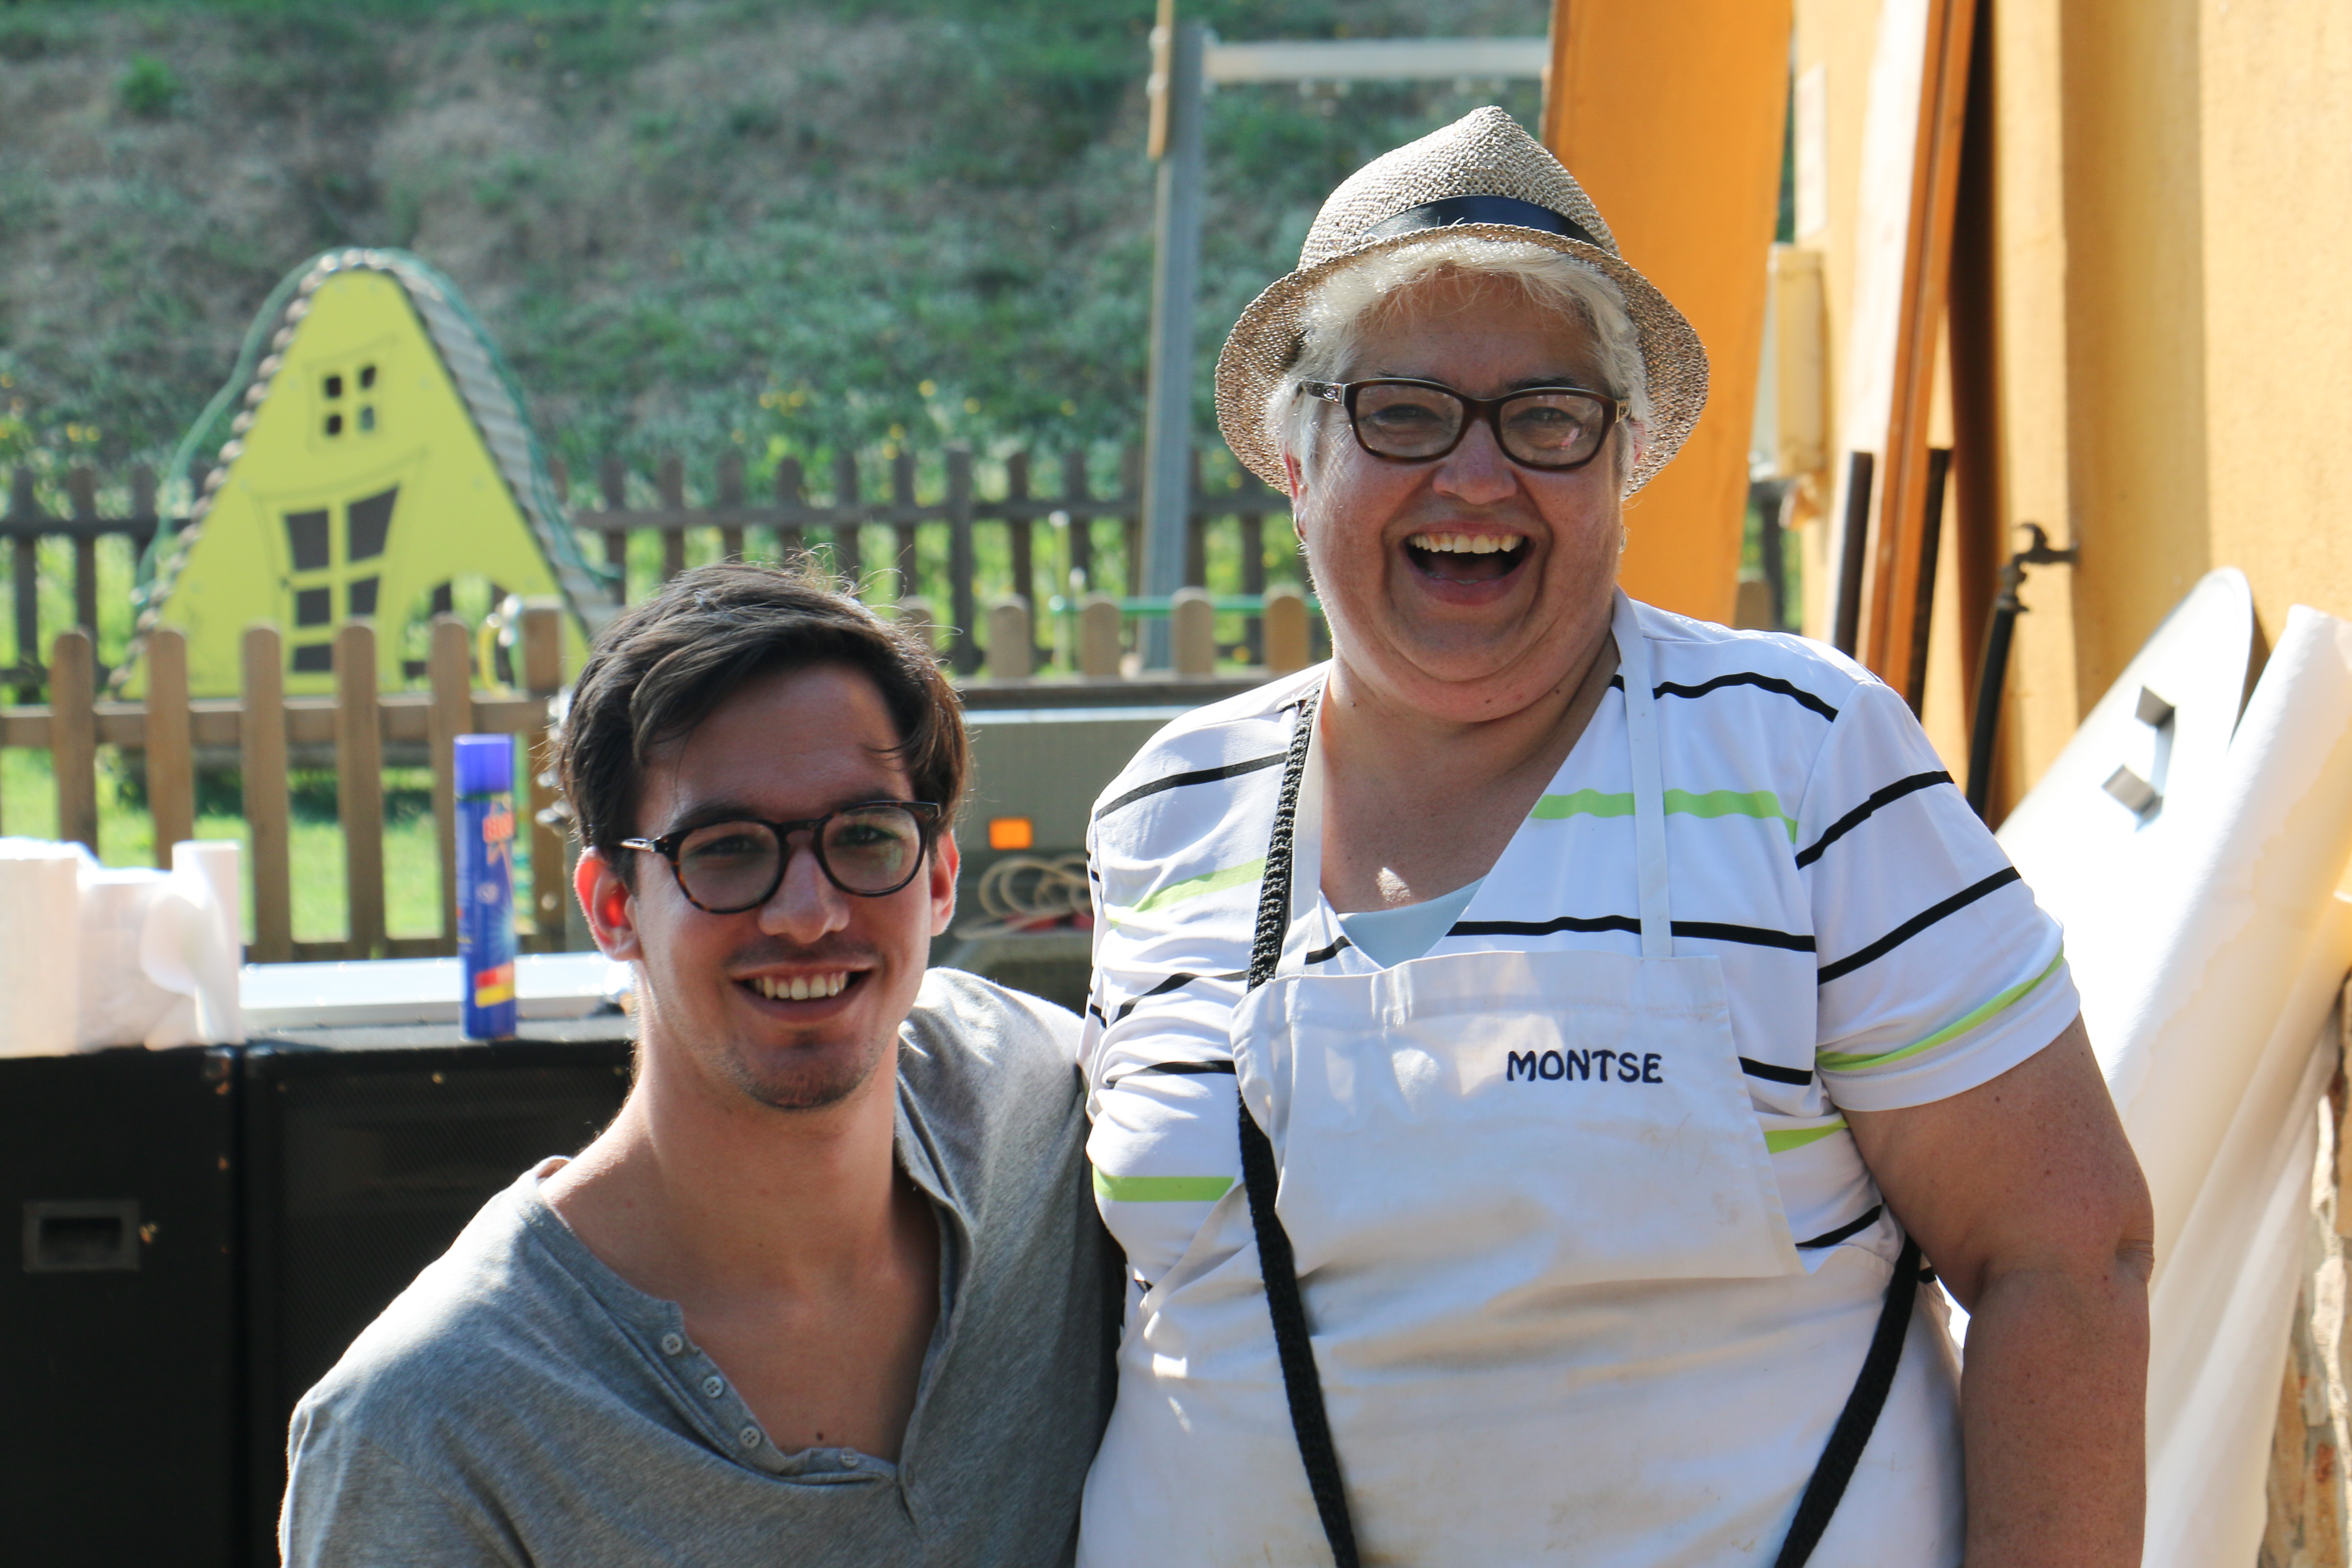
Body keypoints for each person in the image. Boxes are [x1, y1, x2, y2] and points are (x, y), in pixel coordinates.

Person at [1078, 109, 2152, 1566]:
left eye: (1547, 416)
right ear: (1293, 452)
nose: (1476, 477)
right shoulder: (1167, 809)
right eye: (1403, 412)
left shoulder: (1797, 758)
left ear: (1622, 459)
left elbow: (2067, 1256)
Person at [282, 563, 1116, 1566]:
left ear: (939, 876)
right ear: (613, 907)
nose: (808, 912)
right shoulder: (430, 1428)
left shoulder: (1051, 1108)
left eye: (864, 836)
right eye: (726, 848)